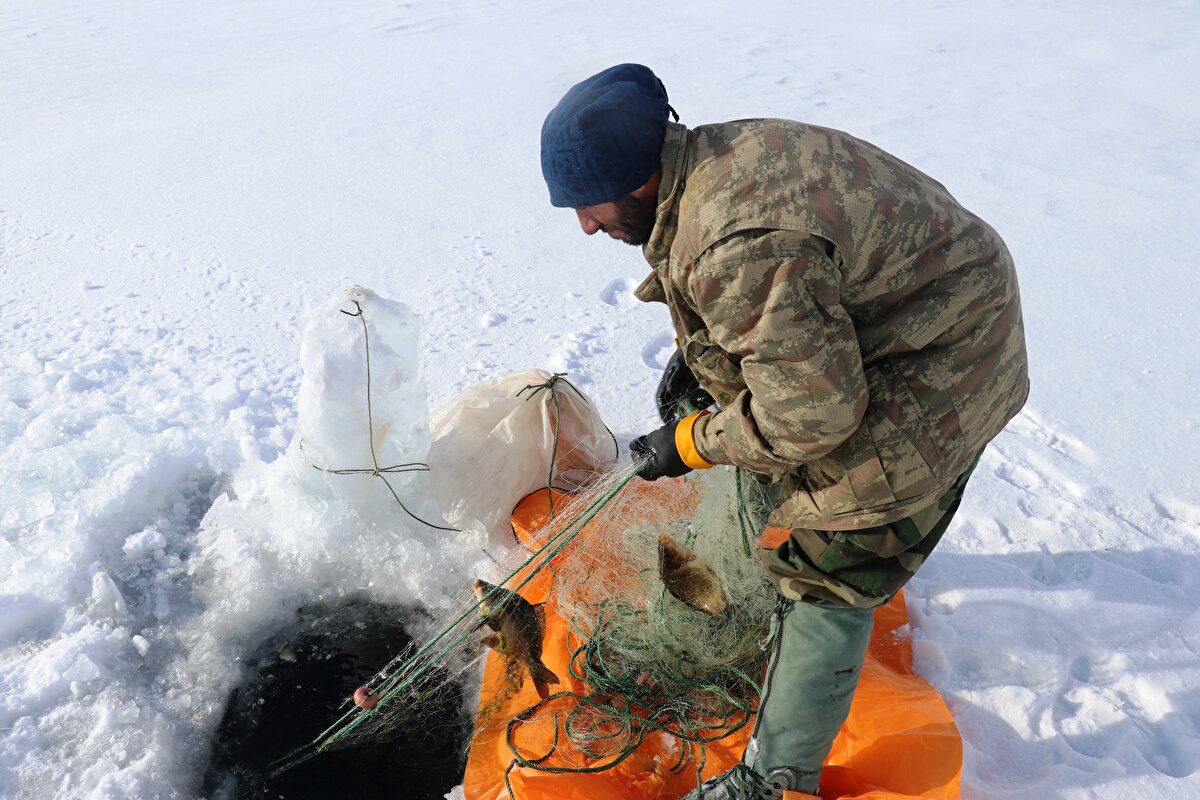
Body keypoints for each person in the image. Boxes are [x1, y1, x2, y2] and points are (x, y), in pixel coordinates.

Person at [540, 64, 1029, 800]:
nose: (583, 224)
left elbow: (813, 417)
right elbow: (786, 295)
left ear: (639, 179)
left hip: (946, 358)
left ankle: (772, 780)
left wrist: (692, 442)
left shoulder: (733, 242)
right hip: (910, 314)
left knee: (833, 560)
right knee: (773, 461)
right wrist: (707, 355)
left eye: (589, 204)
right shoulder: (703, 160)